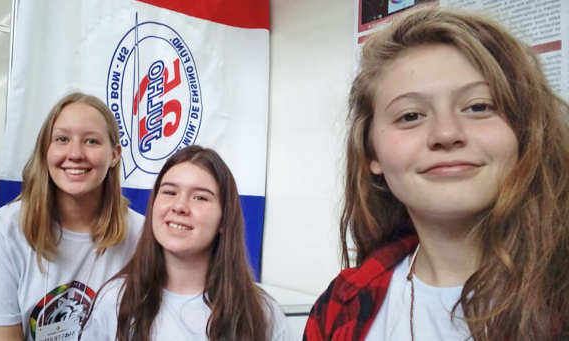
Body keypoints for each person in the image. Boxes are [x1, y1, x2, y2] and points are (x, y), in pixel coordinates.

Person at [304, 7, 569, 341]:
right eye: (411, 115)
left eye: (478, 106)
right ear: (372, 153)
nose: (446, 133)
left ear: (526, 130)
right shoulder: (340, 306)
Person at [0, 92, 144, 341]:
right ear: (45, 150)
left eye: (92, 141)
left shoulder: (140, 233)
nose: (75, 154)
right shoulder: (5, 228)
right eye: (62, 139)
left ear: (115, 155)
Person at [82, 146, 294, 341]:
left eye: (200, 197)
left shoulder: (262, 314)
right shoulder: (115, 300)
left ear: (224, 219)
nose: (180, 206)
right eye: (169, 192)